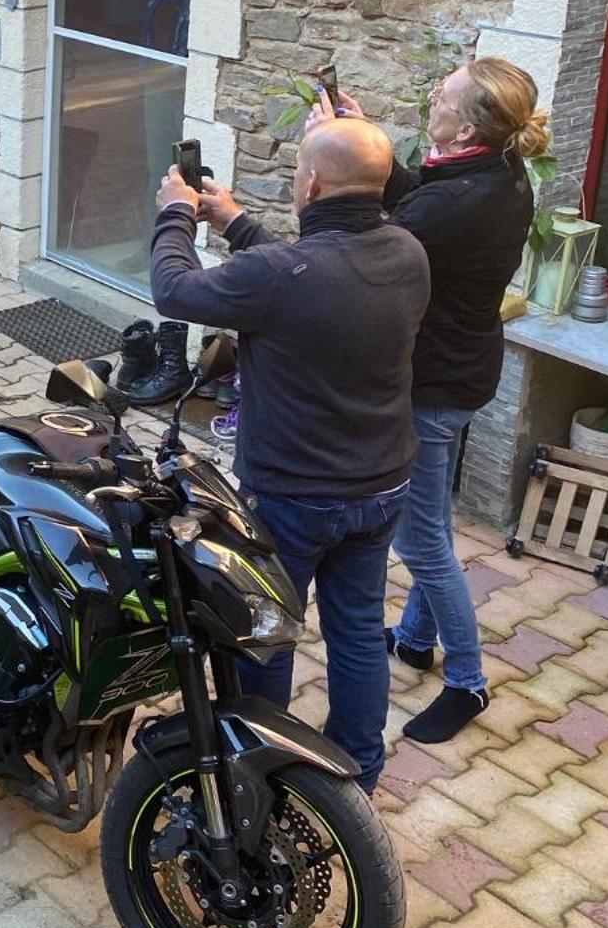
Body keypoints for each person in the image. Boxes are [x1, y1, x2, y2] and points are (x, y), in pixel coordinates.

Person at [153, 119, 430, 792]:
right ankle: (359, 775)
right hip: (382, 486)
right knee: (359, 629)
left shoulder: (279, 276)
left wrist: (176, 216)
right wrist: (237, 221)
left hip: (292, 496)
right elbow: (319, 273)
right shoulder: (407, 252)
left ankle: (261, 769)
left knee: (267, 630)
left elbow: (174, 290)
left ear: (310, 182)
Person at [291, 58, 547, 743]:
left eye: (445, 92)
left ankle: (467, 681)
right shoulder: (490, 172)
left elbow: (374, 231)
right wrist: (361, 131)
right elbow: (413, 202)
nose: (433, 94)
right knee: (431, 515)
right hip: (463, 369)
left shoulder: (457, 201)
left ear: (465, 123)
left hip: (433, 383)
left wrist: (338, 153)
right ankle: (412, 640)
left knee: (423, 537)